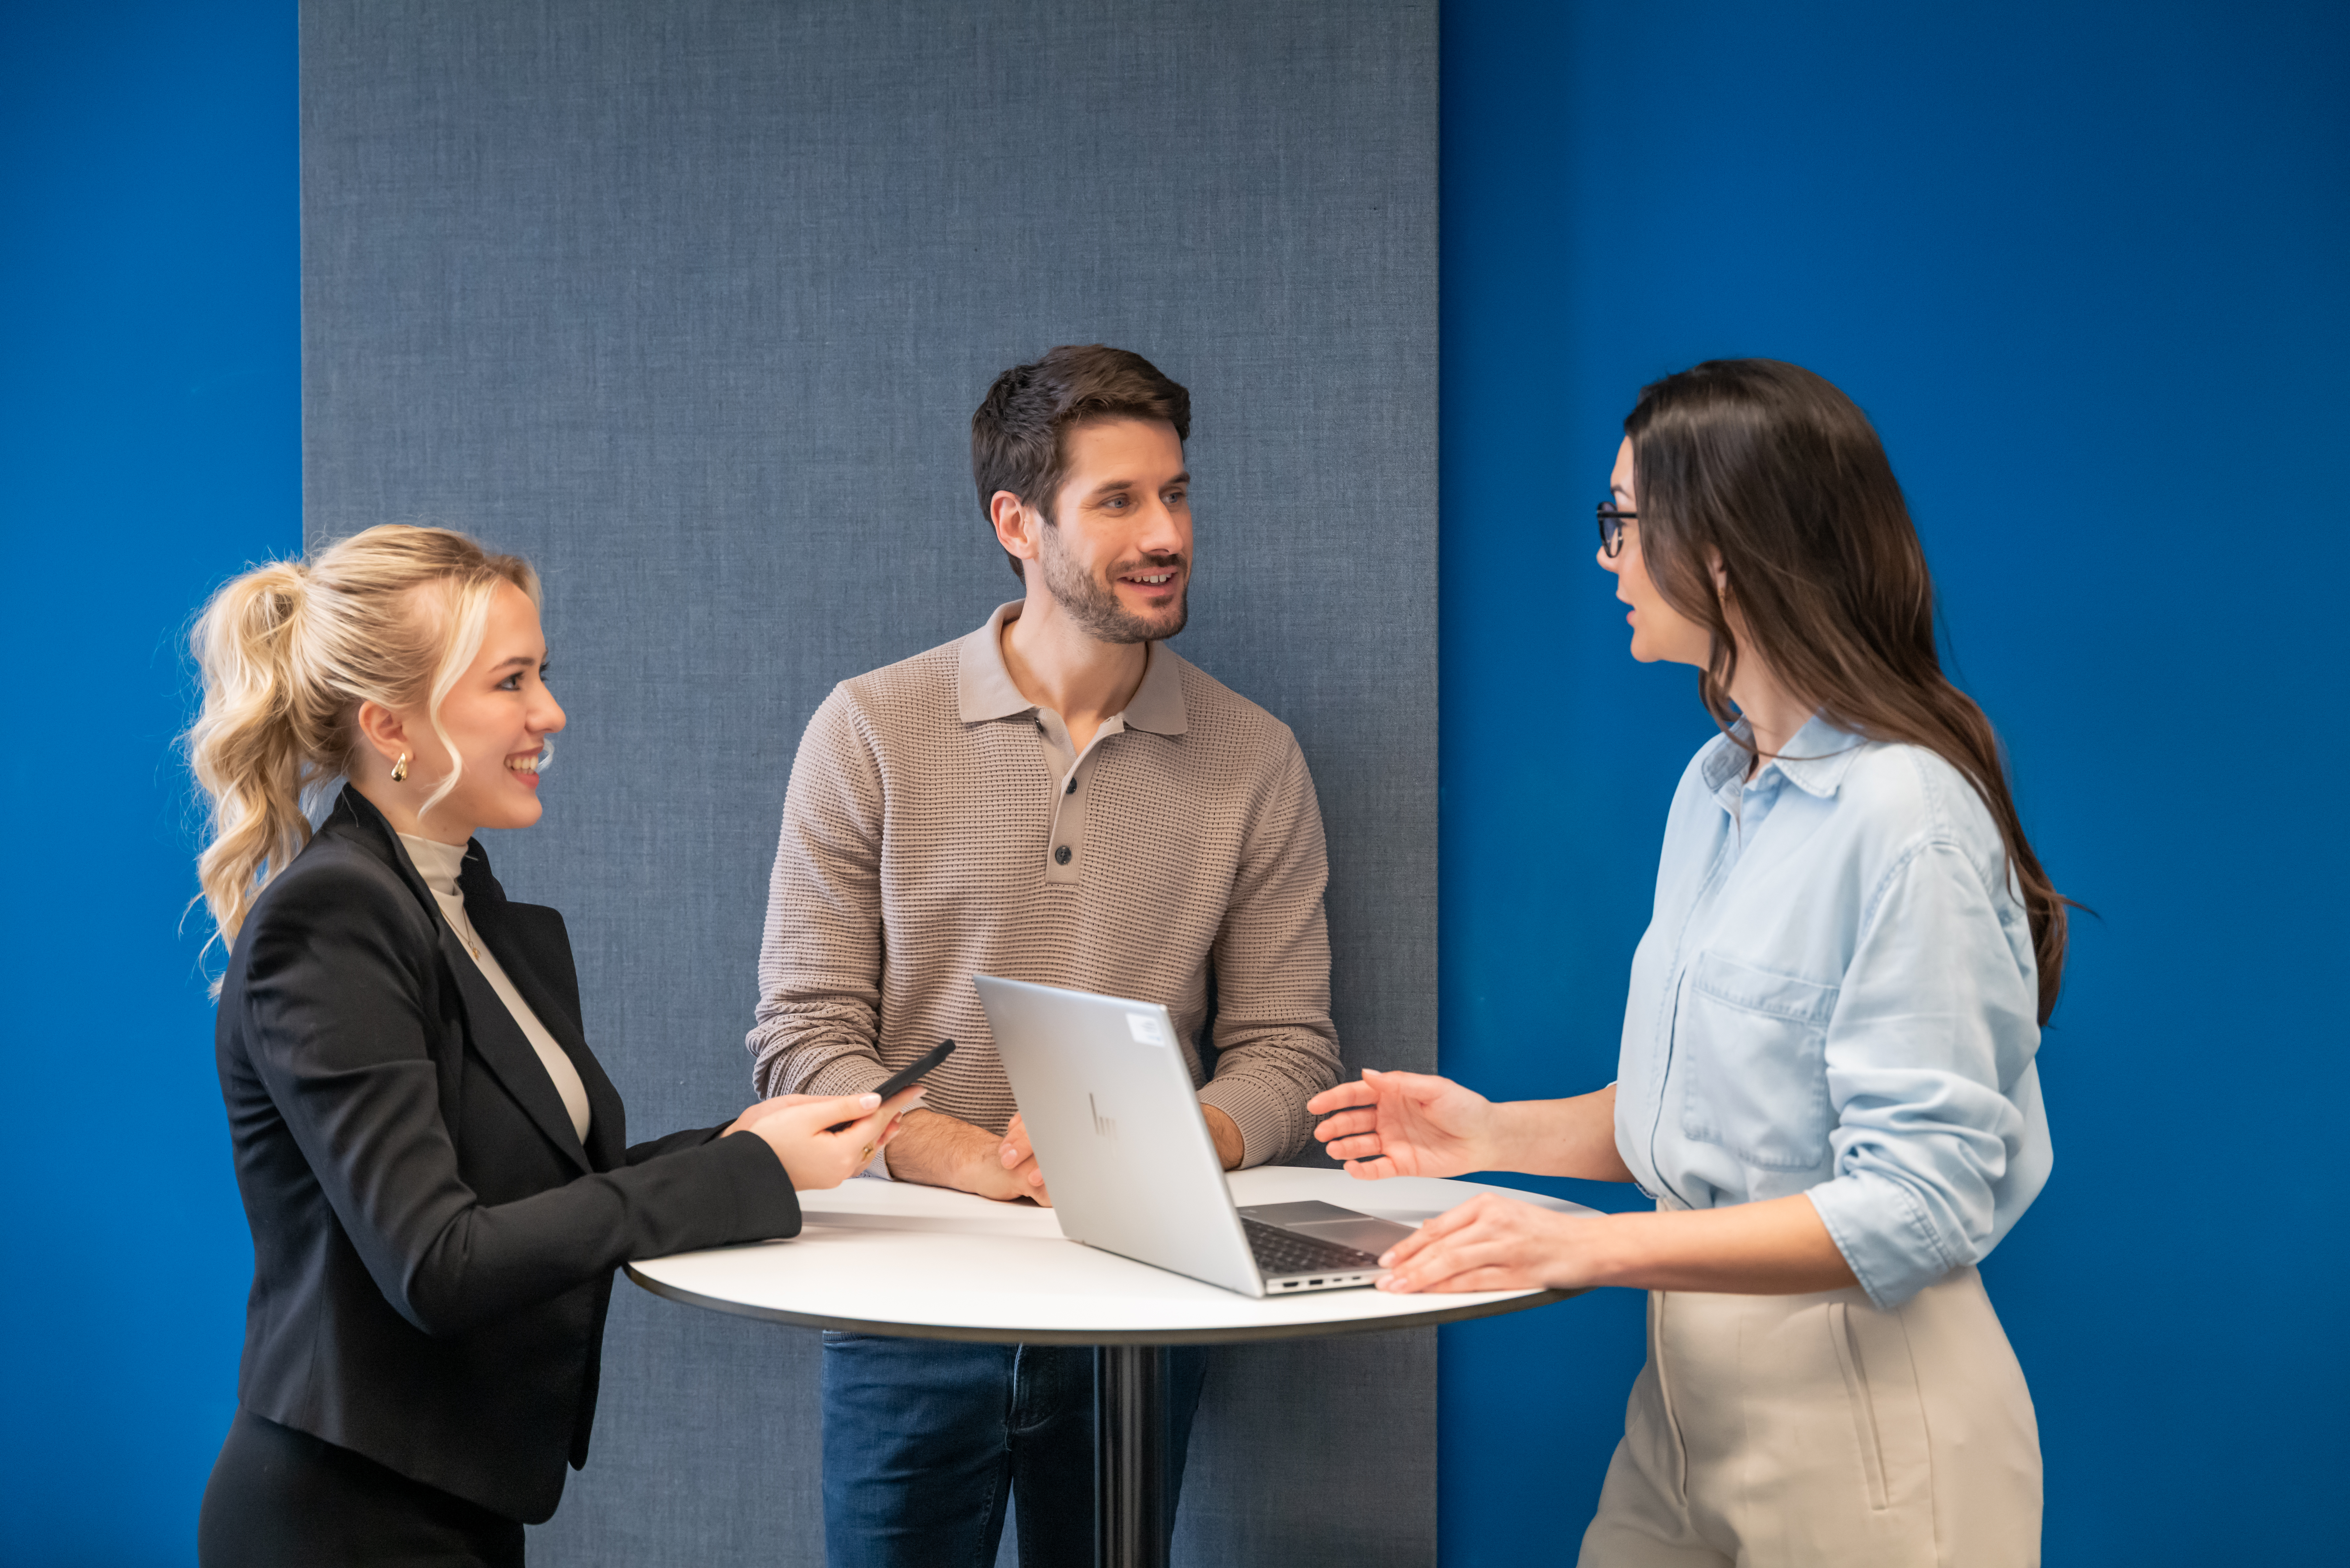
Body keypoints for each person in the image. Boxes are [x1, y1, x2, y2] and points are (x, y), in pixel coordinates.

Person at [1310, 360, 2060, 1566]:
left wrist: (1589, 1246)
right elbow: (1722, 1118)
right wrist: (1494, 1136)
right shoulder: (1714, 791)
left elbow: (1922, 1203)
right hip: (1681, 1409)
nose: (1606, 555)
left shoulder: (1907, 815)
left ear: (1724, 552)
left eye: (1623, 520)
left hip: (1869, 1427)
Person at [189, 525, 921, 1567]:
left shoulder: (459, 901)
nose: (551, 713)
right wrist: (746, 1173)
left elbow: (552, 1185)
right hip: (348, 1520)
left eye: (544, 674)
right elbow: (441, 1262)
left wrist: (745, 1141)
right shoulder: (335, 922)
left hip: (453, 1498)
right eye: (511, 682)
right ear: (390, 723)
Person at [748, 344, 1343, 1566]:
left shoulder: (1255, 756)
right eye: (1118, 501)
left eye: (1175, 493)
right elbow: (804, 1041)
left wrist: (1168, 1143)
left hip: (1139, 1296)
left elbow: (1290, 1050)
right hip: (906, 1304)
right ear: (1016, 522)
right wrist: (983, 1161)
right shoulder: (869, 729)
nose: (1164, 531)